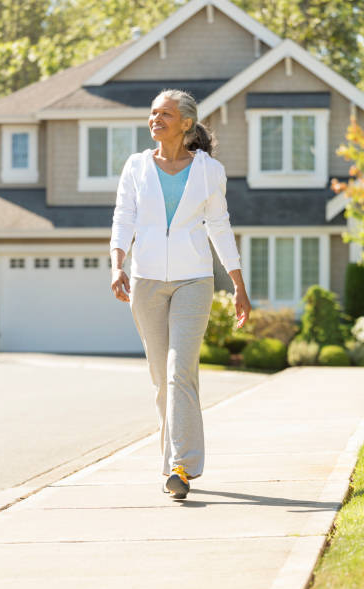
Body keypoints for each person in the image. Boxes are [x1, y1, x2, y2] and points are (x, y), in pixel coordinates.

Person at [110, 89, 252, 500]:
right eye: (153, 113)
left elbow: (220, 226)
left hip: (194, 280)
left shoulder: (209, 171)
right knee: (161, 381)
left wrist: (238, 283)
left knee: (180, 372)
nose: (156, 119)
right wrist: (117, 264)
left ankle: (181, 467)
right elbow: (124, 216)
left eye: (166, 114)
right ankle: (171, 461)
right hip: (147, 280)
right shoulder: (136, 166)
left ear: (186, 123)